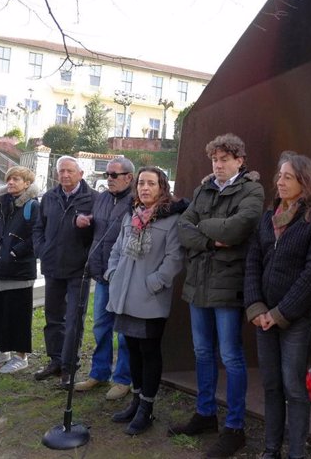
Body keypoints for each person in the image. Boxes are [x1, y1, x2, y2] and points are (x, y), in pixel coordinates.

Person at [170, 133, 264, 458]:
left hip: (228, 286)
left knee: (231, 356)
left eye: (225, 159)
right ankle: (205, 414)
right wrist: (212, 238)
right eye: (215, 159)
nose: (219, 164)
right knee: (202, 352)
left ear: (239, 160)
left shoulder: (252, 189)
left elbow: (238, 229)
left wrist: (203, 226)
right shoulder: (203, 188)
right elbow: (184, 226)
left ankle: (235, 428)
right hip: (198, 283)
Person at [244, 153, 311, 459]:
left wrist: (280, 313)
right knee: (271, 385)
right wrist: (257, 308)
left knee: (293, 388)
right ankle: (271, 450)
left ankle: (296, 453)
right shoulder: (269, 217)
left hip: (295, 319)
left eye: (288, 177)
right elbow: (253, 262)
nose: (280, 182)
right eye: (279, 176)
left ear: (304, 182)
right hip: (264, 318)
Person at [105, 166, 189, 435]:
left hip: (150, 298)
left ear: (162, 187)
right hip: (125, 295)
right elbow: (117, 248)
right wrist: (112, 273)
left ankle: (147, 408)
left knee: (149, 353)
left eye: (151, 183)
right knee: (132, 350)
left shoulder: (171, 219)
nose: (144, 188)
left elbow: (175, 258)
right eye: (141, 183)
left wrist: (154, 283)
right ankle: (136, 400)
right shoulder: (131, 214)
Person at [32, 155, 98, 388]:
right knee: (52, 317)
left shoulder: (93, 199)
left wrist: (86, 255)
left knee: (73, 320)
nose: (65, 175)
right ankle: (55, 360)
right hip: (52, 265)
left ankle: (70, 367)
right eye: (61, 171)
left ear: (81, 174)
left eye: (70, 171)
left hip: (78, 269)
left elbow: (98, 234)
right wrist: (42, 250)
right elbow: (38, 227)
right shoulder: (49, 197)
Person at [74, 157, 134, 400]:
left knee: (124, 331)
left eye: (114, 175)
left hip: (124, 275)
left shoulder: (136, 201)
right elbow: (96, 230)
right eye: (107, 174)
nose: (108, 179)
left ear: (129, 177)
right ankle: (99, 372)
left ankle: (123, 379)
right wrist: (82, 223)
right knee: (100, 326)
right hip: (100, 273)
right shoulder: (101, 198)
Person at [0, 166, 40, 373]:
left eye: (16, 179)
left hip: (19, 269)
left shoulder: (32, 206)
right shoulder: (2, 203)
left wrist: (16, 252)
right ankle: (1, 351)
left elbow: (37, 235)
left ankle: (21, 356)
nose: (10, 182)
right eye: (9, 179)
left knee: (18, 314)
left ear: (27, 183)